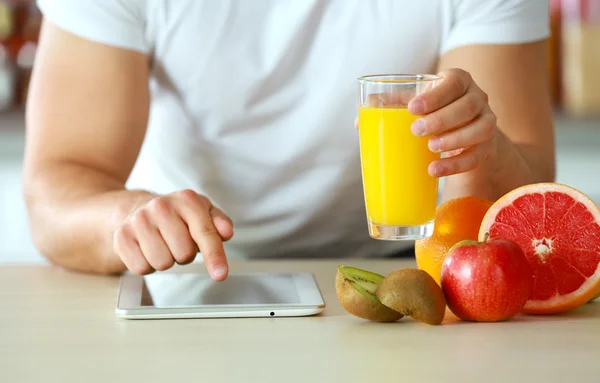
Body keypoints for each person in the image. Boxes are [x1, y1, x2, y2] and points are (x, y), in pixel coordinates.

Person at [22, 0, 556, 280]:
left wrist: (484, 149)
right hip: (186, 273)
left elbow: (521, 199)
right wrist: (127, 222)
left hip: (407, 267)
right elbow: (58, 187)